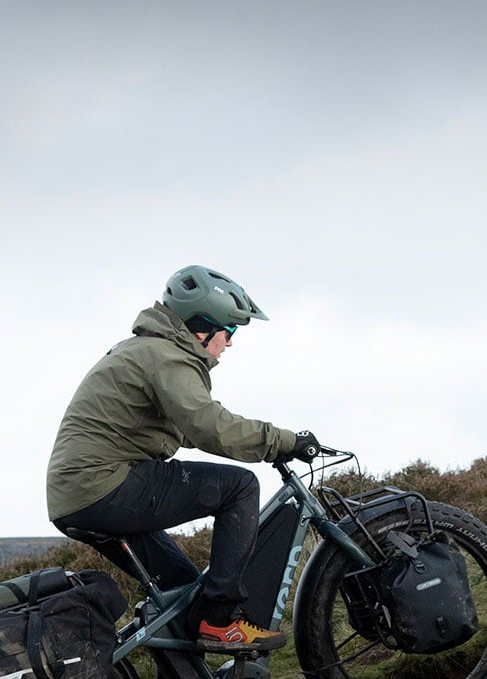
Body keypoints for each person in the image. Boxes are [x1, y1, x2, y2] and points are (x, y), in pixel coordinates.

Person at [47, 265, 322, 653]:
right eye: (231, 331)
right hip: (107, 485)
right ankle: (220, 621)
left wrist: (255, 437)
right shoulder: (167, 356)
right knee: (240, 487)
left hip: (81, 494)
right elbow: (209, 425)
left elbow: (188, 425)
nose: (230, 343)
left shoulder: (147, 350)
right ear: (203, 328)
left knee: (179, 594)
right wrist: (284, 441)